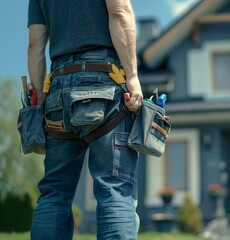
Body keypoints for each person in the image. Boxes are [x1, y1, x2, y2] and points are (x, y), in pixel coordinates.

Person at [27, 0, 143, 239]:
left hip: (57, 89)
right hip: (104, 80)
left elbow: (35, 43)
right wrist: (132, 77)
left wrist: (38, 99)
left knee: (54, 191)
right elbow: (119, 11)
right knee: (114, 187)